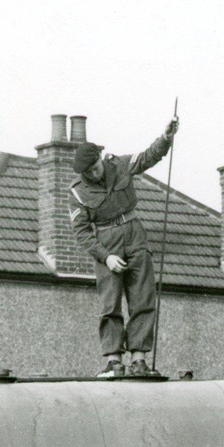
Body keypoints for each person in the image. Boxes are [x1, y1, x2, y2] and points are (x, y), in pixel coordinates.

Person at [68, 116, 179, 378]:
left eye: (95, 167)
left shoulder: (120, 165)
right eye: (88, 172)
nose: (94, 174)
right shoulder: (77, 192)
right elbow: (82, 233)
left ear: (101, 158)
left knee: (143, 298)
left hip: (135, 235)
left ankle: (139, 360)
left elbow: (149, 157)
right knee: (111, 304)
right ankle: (113, 361)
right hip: (107, 244)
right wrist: (106, 257)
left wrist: (166, 137)